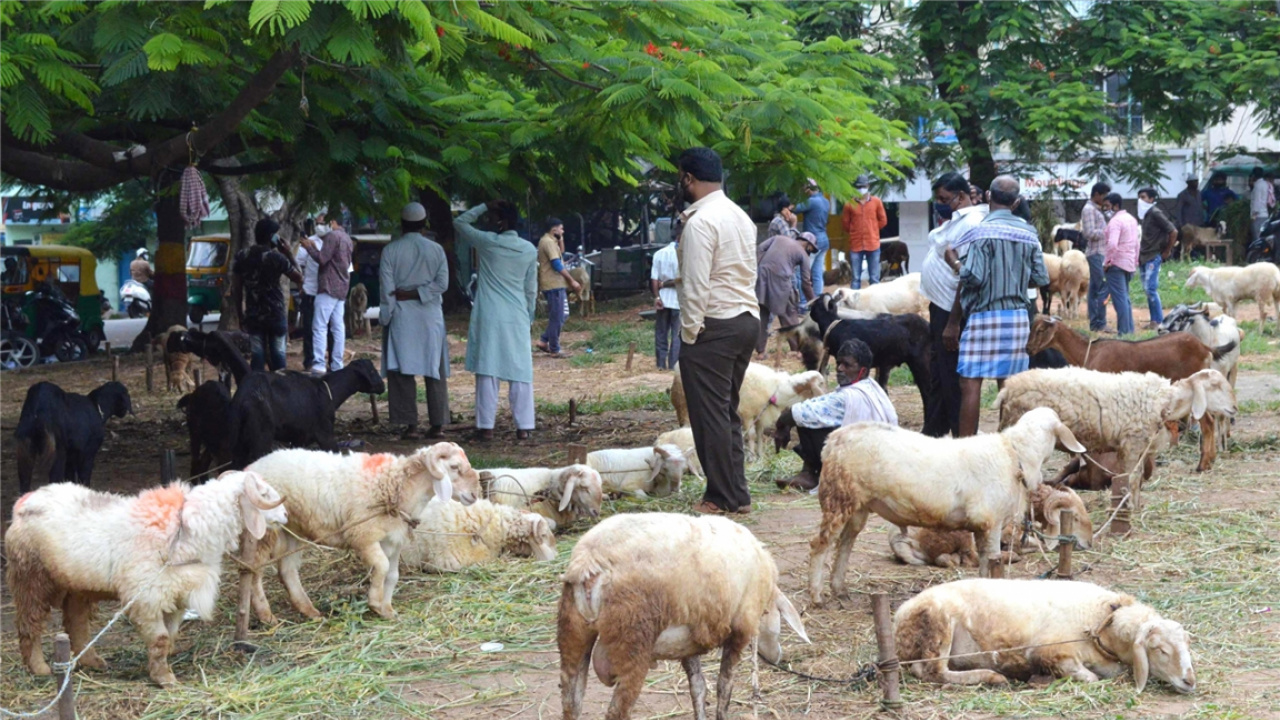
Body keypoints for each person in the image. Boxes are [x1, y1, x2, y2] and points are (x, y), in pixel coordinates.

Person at [674, 146, 760, 515]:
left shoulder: (700, 223)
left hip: (715, 324)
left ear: (688, 179)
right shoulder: (740, 215)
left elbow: (695, 286)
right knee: (726, 412)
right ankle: (737, 495)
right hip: (746, 320)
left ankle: (720, 497)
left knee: (710, 416)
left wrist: (690, 334)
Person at [943, 175, 1049, 438]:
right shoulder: (1028, 233)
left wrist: (954, 262)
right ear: (1016, 202)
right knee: (1009, 386)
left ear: (989, 197)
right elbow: (1041, 278)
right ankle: (1009, 450)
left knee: (970, 383)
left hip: (983, 317)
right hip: (1016, 318)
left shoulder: (980, 232)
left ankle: (966, 450)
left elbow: (973, 277)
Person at [455, 199, 538, 441]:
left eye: (492, 219)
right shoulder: (528, 250)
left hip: (490, 314)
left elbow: (460, 222)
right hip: (517, 314)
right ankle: (524, 427)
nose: (488, 223)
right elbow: (530, 288)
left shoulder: (488, 243)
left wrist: (483, 205)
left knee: (488, 371)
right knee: (520, 372)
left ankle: (486, 428)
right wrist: (529, 316)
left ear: (501, 222)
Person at [772, 338, 897, 491]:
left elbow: (796, 412)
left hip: (857, 462)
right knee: (811, 413)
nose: (839, 368)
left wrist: (781, 426)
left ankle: (811, 474)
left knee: (805, 416)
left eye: (847, 365)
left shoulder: (847, 397)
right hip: (880, 462)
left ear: (862, 371)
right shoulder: (872, 387)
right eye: (838, 363)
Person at [920, 172, 986, 438]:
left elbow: (968, 276)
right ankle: (934, 432)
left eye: (944, 199)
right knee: (938, 373)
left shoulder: (973, 223)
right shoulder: (957, 221)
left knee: (951, 377)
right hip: (940, 307)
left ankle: (962, 438)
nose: (940, 203)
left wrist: (953, 323)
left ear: (961, 196)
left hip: (952, 311)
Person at [379, 202, 451, 439]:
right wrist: (420, 294)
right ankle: (438, 424)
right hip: (430, 316)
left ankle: (409, 424)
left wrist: (386, 316)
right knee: (435, 369)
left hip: (401, 315)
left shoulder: (391, 250)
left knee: (401, 371)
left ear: (402, 224)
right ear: (423, 225)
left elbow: (387, 291)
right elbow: (442, 284)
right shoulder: (436, 250)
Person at [231, 218, 302, 371]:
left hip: (254, 315)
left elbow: (236, 288)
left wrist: (240, 314)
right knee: (278, 355)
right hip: (275, 315)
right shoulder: (277, 258)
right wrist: (289, 253)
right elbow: (299, 277)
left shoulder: (242, 256)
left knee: (257, 355)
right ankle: (280, 389)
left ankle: (257, 389)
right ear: (272, 237)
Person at [298, 218, 353, 375]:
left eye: (322, 222)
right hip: (341, 289)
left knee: (319, 326)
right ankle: (337, 364)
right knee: (337, 328)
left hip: (328, 287)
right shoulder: (346, 238)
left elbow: (322, 259)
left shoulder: (332, 236)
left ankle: (319, 364)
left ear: (333, 221)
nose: (319, 226)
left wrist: (309, 247)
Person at [755, 231, 817, 355]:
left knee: (763, 314)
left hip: (762, 276)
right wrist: (814, 301)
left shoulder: (778, 238)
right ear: (809, 245)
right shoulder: (803, 254)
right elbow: (806, 282)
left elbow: (760, 248)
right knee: (789, 314)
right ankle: (799, 349)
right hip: (781, 281)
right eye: (811, 250)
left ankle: (760, 352)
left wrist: (761, 265)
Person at [535, 218, 582, 357]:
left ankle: (544, 340)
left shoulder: (551, 241)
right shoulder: (548, 242)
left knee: (563, 314)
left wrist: (560, 238)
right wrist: (572, 281)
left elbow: (561, 252)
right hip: (553, 284)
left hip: (557, 284)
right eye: (561, 228)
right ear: (553, 229)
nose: (563, 231)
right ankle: (554, 348)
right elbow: (556, 264)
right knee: (557, 317)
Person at [1137, 188, 1178, 328]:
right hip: (1144, 256)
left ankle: (1160, 321)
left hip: (1153, 256)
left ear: (1151, 199)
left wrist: (1167, 251)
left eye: (1143, 197)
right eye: (1139, 197)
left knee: (1151, 289)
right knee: (1148, 290)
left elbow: (1173, 231)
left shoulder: (1155, 213)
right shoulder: (1147, 215)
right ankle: (1154, 321)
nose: (1140, 200)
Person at [1101, 192, 1140, 336]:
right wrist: (1135, 261)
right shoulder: (1131, 219)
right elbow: (1136, 243)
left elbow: (1112, 244)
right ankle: (1129, 330)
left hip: (1116, 264)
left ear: (1116, 206)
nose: (1105, 209)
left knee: (1120, 300)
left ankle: (1123, 332)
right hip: (1128, 263)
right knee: (1125, 298)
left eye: (1107, 206)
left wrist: (1107, 262)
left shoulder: (1115, 222)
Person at [841, 175, 888, 289]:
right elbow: (845, 224)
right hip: (856, 245)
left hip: (873, 243)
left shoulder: (877, 202)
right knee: (855, 278)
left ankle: (874, 303)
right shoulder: (849, 204)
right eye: (859, 186)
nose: (861, 189)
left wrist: (873, 229)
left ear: (868, 186)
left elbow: (883, 220)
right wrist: (855, 231)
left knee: (874, 278)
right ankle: (854, 304)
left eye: (864, 186)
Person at [295, 219, 328, 371]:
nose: (320, 225)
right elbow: (298, 263)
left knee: (330, 329)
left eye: (323, 222)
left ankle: (331, 362)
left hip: (329, 293)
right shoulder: (308, 242)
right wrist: (302, 283)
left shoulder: (336, 240)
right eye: (318, 222)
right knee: (309, 329)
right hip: (310, 292)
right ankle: (309, 361)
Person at [1081, 181, 1111, 332]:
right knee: (1102, 288)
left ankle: (1094, 323)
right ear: (1097, 194)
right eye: (1104, 195)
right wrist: (1107, 231)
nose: (1106, 199)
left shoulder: (1097, 209)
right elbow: (1089, 233)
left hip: (1099, 252)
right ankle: (1101, 322)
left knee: (1094, 290)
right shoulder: (1088, 210)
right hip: (1096, 253)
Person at [794, 179, 831, 299]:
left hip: (812, 242)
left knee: (802, 274)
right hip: (824, 240)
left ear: (808, 189)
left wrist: (798, 195)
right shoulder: (826, 201)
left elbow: (795, 208)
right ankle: (817, 301)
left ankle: (804, 303)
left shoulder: (811, 202)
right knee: (817, 273)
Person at [650, 234, 681, 370]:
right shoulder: (683, 256)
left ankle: (661, 364)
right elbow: (683, 280)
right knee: (677, 334)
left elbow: (654, 279)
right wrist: (669, 284)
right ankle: (674, 365)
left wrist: (657, 297)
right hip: (679, 301)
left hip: (663, 299)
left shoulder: (659, 254)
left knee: (661, 333)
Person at [1252, 167, 1271, 244]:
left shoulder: (1257, 185)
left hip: (1258, 215)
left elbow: (1257, 200)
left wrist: (1254, 215)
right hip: (1265, 213)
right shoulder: (1265, 184)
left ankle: (1258, 254)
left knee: (1257, 237)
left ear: (1254, 175)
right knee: (1264, 237)